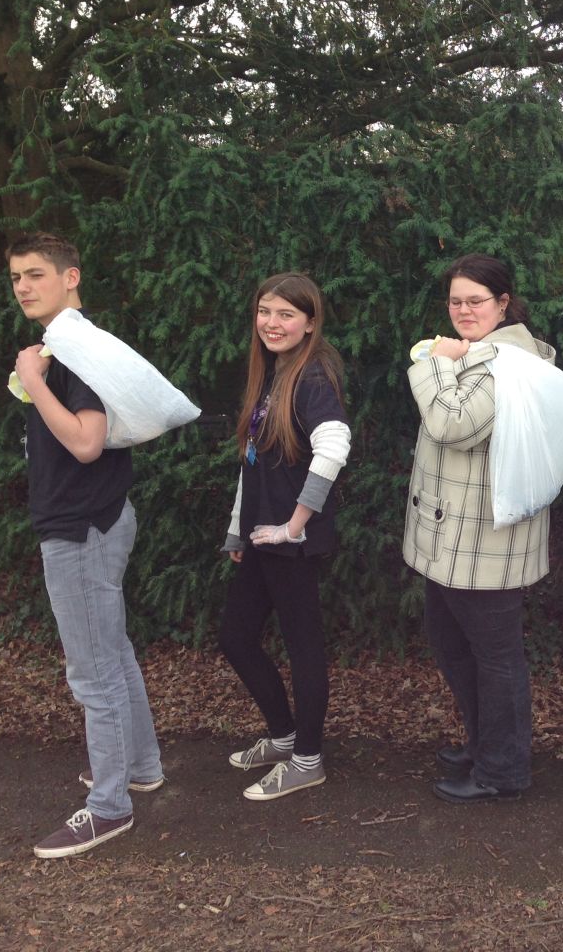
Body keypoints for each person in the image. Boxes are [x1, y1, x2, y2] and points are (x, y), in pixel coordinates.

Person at [8, 232, 165, 859]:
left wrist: (32, 381)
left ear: (71, 277)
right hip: (93, 520)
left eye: (36, 274)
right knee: (111, 648)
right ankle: (140, 766)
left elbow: (85, 442)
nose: (23, 285)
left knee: (92, 669)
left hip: (81, 529)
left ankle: (108, 808)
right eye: (17, 275)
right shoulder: (61, 348)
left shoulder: (74, 354)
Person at [403, 255, 554, 803]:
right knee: (454, 646)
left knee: (495, 658)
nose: (464, 311)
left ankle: (503, 771)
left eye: (476, 301)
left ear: (503, 303)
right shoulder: (480, 353)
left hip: (487, 542)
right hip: (455, 536)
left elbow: (453, 424)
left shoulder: (511, 360)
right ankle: (484, 744)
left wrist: (436, 361)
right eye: (456, 301)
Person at [219, 273, 351, 801]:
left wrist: (295, 526)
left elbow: (335, 445)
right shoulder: (273, 372)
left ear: (310, 323)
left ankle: (307, 760)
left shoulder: (313, 377)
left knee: (303, 650)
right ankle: (283, 735)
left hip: (289, 542)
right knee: (235, 637)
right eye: (265, 312)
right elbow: (253, 461)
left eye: (286, 315)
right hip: (259, 537)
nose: (273, 323)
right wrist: (237, 530)